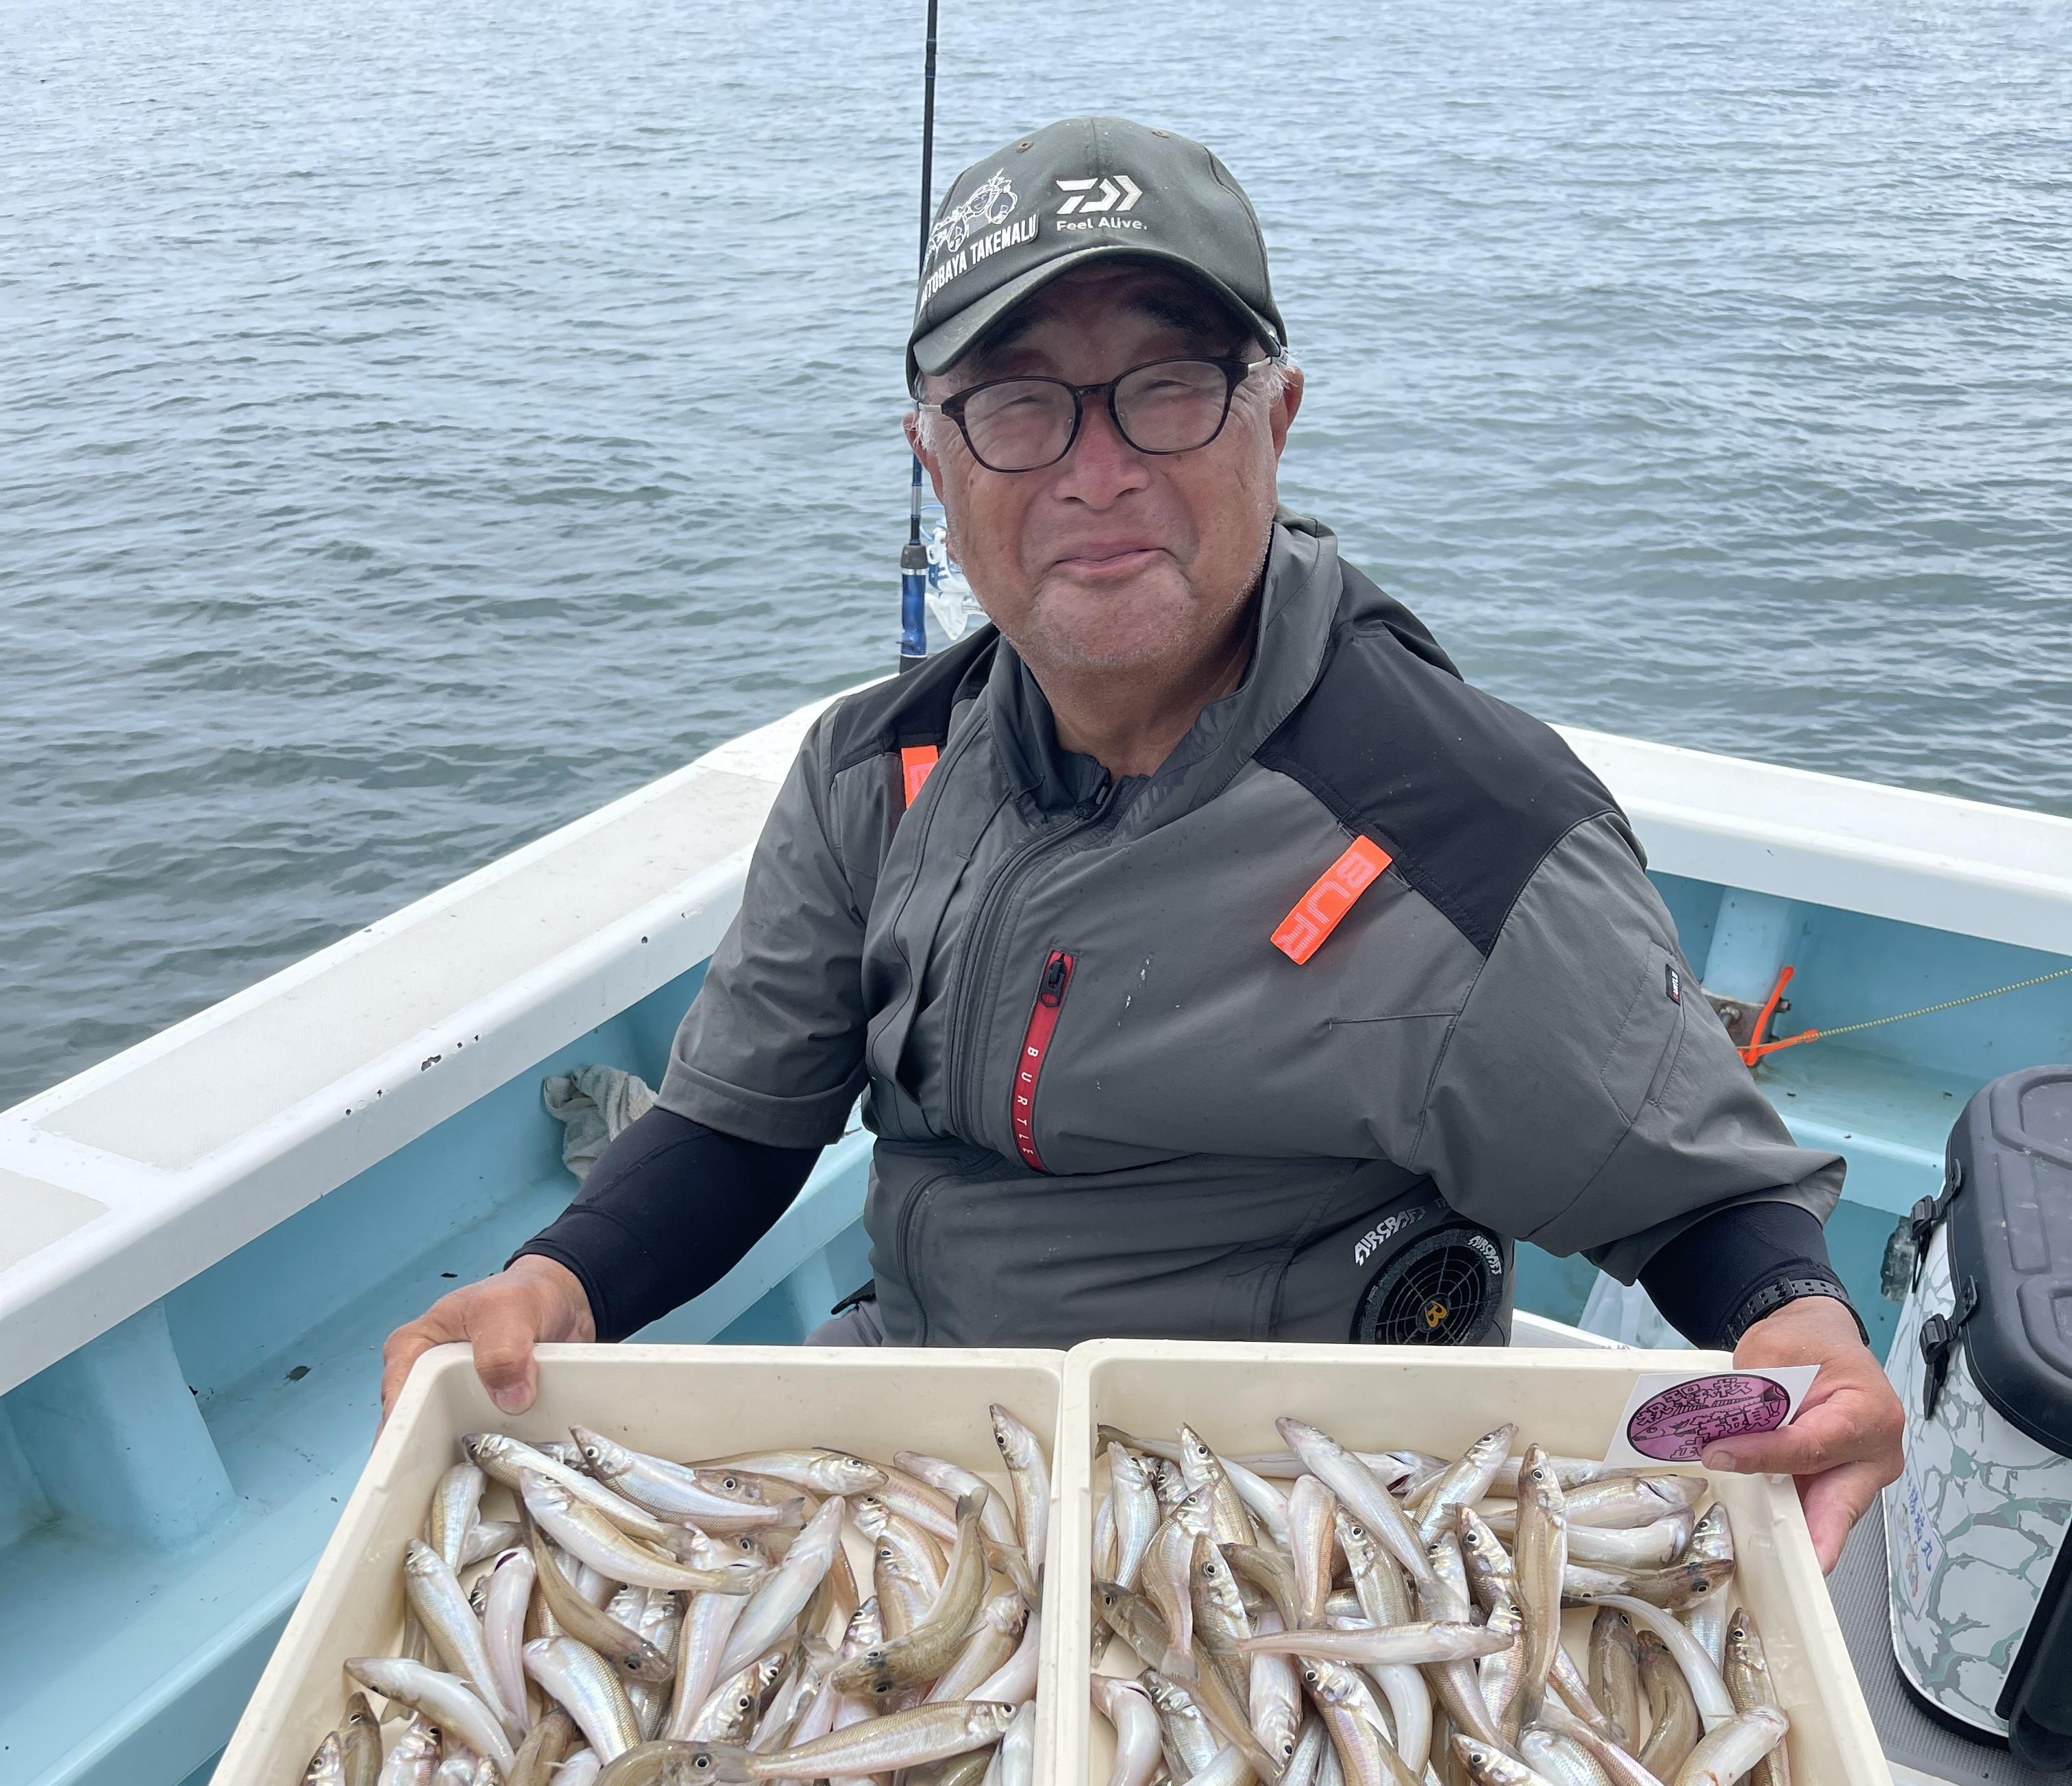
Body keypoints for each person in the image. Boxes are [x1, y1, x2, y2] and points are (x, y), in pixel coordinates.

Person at [382, 114, 1902, 1569]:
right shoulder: (873, 770)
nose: (1093, 469)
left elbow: (1702, 1202)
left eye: (1167, 387)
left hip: (1302, 1502)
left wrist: (1794, 1318)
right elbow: (739, 1124)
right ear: (934, 460)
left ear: (1277, 417)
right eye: (1018, 403)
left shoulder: (1474, 837)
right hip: (925, 1427)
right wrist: (557, 1280)